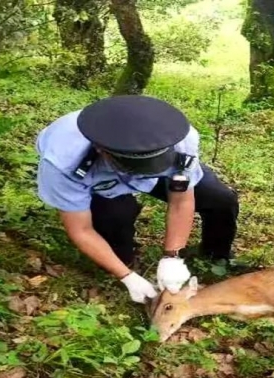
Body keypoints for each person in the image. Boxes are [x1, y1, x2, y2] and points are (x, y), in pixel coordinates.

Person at [35, 95, 239, 303]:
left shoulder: (180, 139)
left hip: (159, 168)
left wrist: (172, 256)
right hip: (101, 182)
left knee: (219, 199)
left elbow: (181, 200)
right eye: (138, 169)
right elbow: (81, 229)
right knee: (116, 226)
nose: (143, 175)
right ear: (101, 150)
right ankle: (125, 263)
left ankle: (215, 255)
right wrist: (126, 276)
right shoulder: (63, 161)